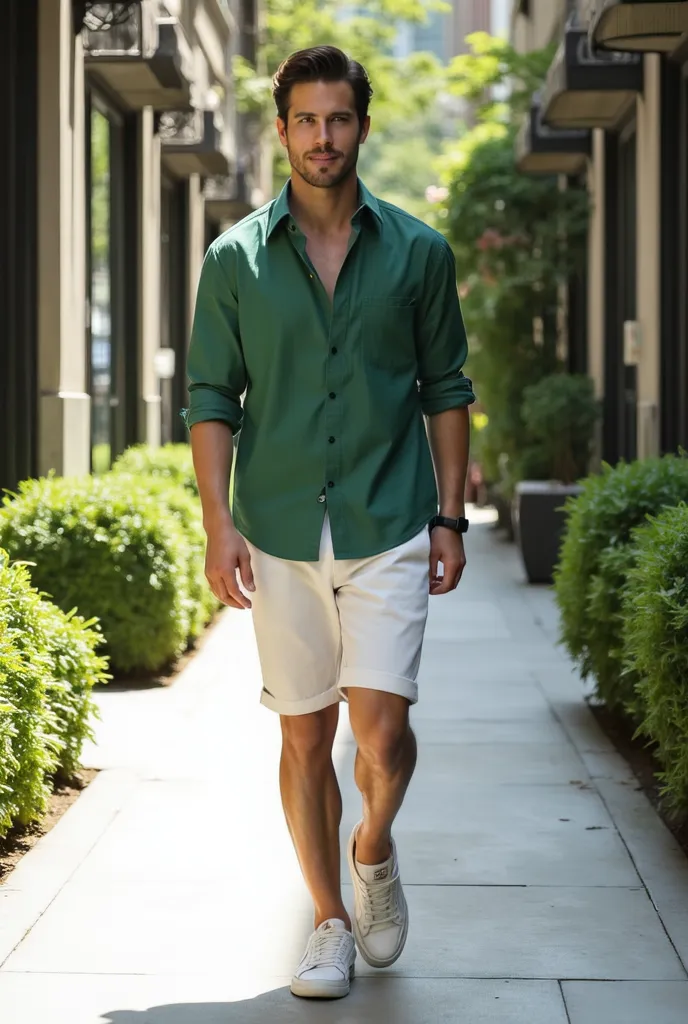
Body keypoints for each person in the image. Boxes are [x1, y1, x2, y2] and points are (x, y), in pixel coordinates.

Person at [185, 45, 475, 1001]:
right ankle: (327, 921)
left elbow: (445, 390)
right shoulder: (233, 259)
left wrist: (448, 515)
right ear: (282, 131)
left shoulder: (420, 254)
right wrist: (218, 523)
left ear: (361, 125)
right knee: (306, 737)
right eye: (305, 120)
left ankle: (373, 842)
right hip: (276, 529)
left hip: (387, 516)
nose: (322, 137)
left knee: (382, 733)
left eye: (338, 119)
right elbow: (210, 397)